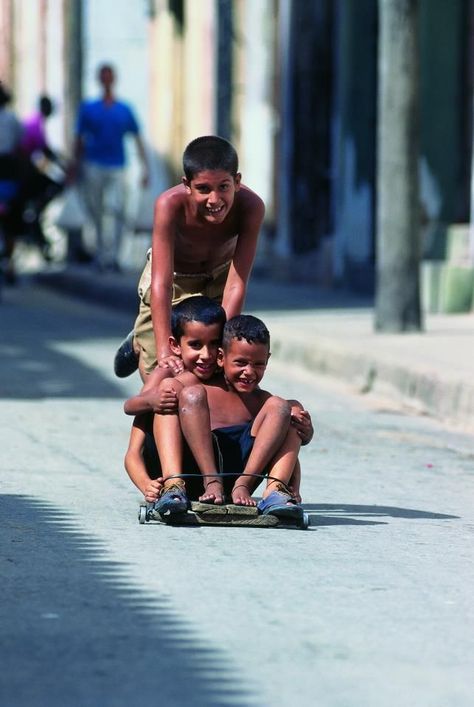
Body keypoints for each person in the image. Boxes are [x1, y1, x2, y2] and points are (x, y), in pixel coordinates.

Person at [114, 134, 265, 381]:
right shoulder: (169, 205)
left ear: (237, 181)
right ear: (187, 185)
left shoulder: (252, 207)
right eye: (203, 189)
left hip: (220, 279)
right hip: (173, 279)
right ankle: (142, 339)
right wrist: (164, 350)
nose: (214, 200)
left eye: (223, 187)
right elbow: (161, 284)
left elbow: (236, 284)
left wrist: (225, 347)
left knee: (215, 373)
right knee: (161, 379)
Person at [152, 314, 313, 519]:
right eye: (241, 363)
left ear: (267, 360)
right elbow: (140, 424)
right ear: (221, 357)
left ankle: (275, 491)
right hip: (193, 476)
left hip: (243, 482)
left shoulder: (261, 401)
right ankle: (174, 484)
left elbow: (286, 442)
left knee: (285, 407)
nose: (249, 372)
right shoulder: (191, 385)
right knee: (189, 394)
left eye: (258, 364)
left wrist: (306, 434)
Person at [124, 295, 227, 502]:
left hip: (219, 475)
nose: (206, 355)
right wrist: (146, 484)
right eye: (196, 345)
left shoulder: (227, 377)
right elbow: (133, 453)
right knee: (168, 391)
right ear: (175, 345)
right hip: (167, 476)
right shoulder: (166, 378)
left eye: (214, 344)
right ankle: (174, 483)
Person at [72, 63, 149, 271]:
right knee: (96, 211)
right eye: (103, 76)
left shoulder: (124, 110)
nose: (107, 80)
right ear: (99, 79)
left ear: (113, 79)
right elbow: (79, 139)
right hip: (93, 165)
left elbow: (137, 138)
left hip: (118, 167)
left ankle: (114, 255)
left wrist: (145, 167)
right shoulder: (88, 109)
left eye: (109, 76)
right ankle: (101, 255)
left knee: (119, 210)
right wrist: (74, 166)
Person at [0, 83, 23, 284]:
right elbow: (19, 145)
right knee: (11, 223)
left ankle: (9, 262)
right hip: (8, 171)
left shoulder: (12, 119)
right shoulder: (12, 119)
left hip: (7, 172)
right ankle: (9, 262)